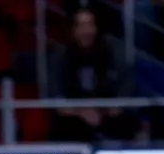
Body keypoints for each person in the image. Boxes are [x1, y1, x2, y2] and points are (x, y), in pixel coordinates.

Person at [47, 9, 137, 143]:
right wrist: (80, 112)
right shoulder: (60, 56)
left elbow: (127, 86)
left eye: (90, 25)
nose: (86, 31)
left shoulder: (114, 52)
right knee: (64, 128)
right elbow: (55, 93)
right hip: (74, 114)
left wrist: (110, 109)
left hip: (108, 111)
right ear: (73, 30)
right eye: (81, 26)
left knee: (125, 124)